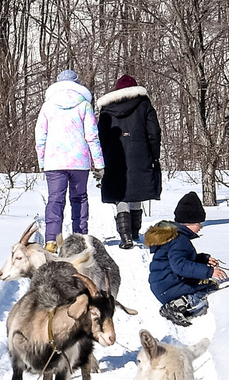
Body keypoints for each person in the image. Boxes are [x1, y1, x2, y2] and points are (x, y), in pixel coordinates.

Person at [94, 73, 162, 247]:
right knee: (136, 190)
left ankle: (125, 236)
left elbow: (101, 135)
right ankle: (134, 231)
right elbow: (154, 132)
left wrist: (102, 156)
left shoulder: (107, 108)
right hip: (141, 152)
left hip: (115, 154)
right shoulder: (144, 104)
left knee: (120, 192)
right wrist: (153, 154)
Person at [34, 69, 99, 242]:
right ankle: (80, 239)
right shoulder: (84, 105)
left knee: (55, 200)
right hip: (80, 161)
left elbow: (40, 137)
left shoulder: (47, 106)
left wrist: (42, 161)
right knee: (79, 199)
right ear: (77, 84)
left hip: (54, 162)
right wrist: (99, 163)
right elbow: (92, 136)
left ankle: (51, 241)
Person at [144, 192, 225, 326]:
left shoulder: (174, 236)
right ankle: (177, 305)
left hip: (163, 285)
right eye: (199, 222)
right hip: (170, 286)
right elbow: (180, 266)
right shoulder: (180, 240)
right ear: (189, 222)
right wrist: (209, 272)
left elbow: (180, 260)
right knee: (209, 288)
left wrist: (203, 259)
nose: (201, 226)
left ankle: (179, 304)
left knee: (206, 285)